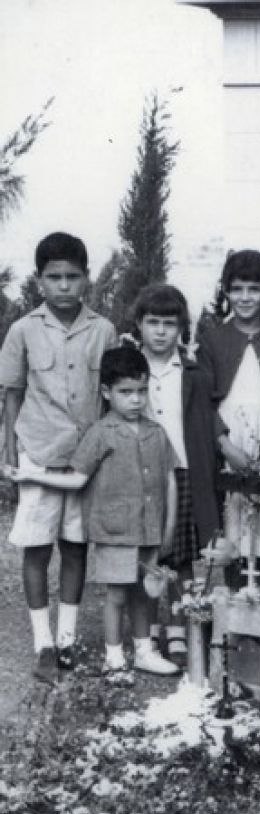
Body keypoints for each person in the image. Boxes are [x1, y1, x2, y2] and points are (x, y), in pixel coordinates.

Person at [5, 347, 180, 676]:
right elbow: (76, 478)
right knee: (115, 594)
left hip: (149, 529)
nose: (136, 400)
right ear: (106, 392)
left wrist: (168, 527)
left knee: (144, 591)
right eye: (126, 392)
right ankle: (113, 657)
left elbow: (170, 478)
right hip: (115, 530)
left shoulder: (157, 433)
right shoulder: (100, 433)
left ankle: (144, 650)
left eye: (142, 391)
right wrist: (30, 474)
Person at [0, 232, 115, 683]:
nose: (64, 285)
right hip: (37, 451)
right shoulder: (24, 329)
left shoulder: (103, 330)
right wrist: (8, 450)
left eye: (72, 276)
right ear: (39, 281)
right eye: (54, 277)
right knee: (36, 546)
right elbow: (12, 394)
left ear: (86, 279)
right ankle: (42, 642)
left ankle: (67, 638)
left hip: (84, 458)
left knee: (74, 545)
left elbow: (109, 398)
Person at [133, 284, 223, 668]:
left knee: (181, 556)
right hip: (139, 473)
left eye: (169, 324)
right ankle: (148, 628)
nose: (159, 331)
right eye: (152, 322)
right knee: (146, 553)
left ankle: (179, 629)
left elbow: (205, 421)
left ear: (181, 328)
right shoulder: (128, 367)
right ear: (138, 324)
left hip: (182, 469)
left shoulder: (191, 371)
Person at [196, 249, 260, 568]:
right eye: (237, 288)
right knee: (232, 536)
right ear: (225, 291)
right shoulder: (211, 339)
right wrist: (225, 446)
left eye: (254, 288)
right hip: (229, 444)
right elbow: (202, 400)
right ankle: (234, 605)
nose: (245, 297)